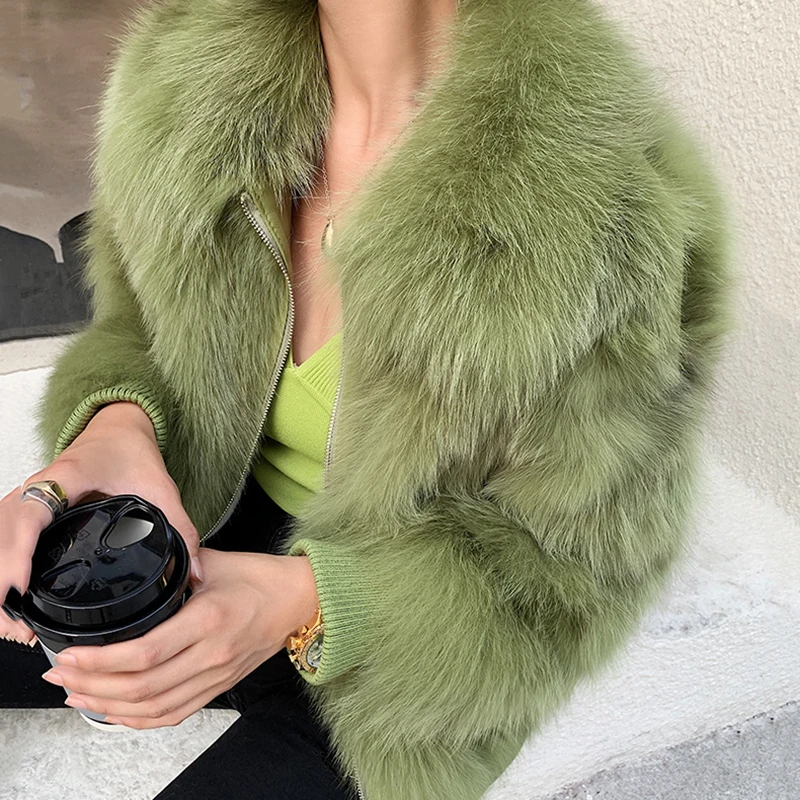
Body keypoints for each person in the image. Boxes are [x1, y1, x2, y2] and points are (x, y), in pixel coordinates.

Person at [1, 0, 736, 798]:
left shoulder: (608, 199)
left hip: (405, 638)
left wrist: (306, 601)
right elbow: (137, 330)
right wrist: (114, 428)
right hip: (198, 527)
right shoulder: (180, 84)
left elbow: (576, 577)